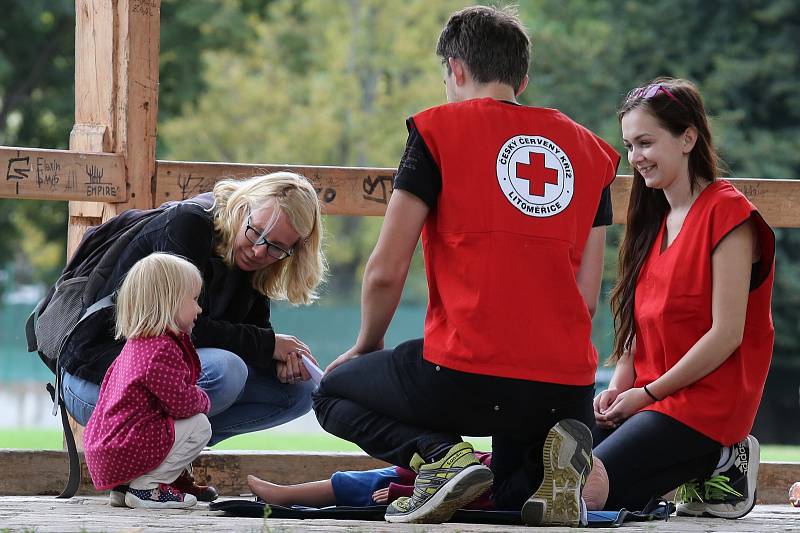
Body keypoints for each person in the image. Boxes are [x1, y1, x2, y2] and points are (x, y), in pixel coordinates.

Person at [312, 5, 619, 526]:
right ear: (522, 77)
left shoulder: (438, 131)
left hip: (465, 374)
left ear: (454, 69)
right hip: (565, 387)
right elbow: (586, 297)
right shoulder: (591, 153)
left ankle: (442, 456)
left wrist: (366, 346)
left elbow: (386, 269)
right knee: (509, 498)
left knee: (333, 393)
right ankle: (556, 473)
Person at [60, 172, 326, 500]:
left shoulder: (255, 263)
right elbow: (179, 326)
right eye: (256, 232)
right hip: (95, 383)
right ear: (243, 207)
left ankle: (164, 467)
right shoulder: (188, 224)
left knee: (299, 391)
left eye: (276, 248)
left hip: (151, 386)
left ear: (293, 252)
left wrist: (279, 359)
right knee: (227, 371)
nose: (259, 251)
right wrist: (268, 345)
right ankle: (151, 478)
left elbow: (251, 333)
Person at [593, 77, 775, 519]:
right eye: (629, 146)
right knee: (546, 452)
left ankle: (723, 459)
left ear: (688, 137)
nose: (635, 157)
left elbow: (726, 334)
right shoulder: (653, 220)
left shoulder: (728, 214)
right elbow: (643, 321)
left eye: (646, 142)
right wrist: (619, 387)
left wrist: (646, 393)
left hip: (705, 405)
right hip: (650, 397)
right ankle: (688, 473)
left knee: (585, 490)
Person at [84, 254, 211, 509]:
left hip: (107, 452)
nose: (199, 309)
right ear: (171, 301)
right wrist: (203, 398)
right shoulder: (161, 350)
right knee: (199, 425)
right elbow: (183, 404)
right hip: (124, 450)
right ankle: (147, 488)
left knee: (163, 422)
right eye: (195, 299)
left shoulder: (136, 346)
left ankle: (124, 488)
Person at [246, 452, 493, 510]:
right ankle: (285, 494)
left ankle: (284, 497)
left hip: (460, 480)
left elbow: (481, 490)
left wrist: (407, 493)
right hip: (466, 466)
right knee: (387, 474)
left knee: (368, 485)